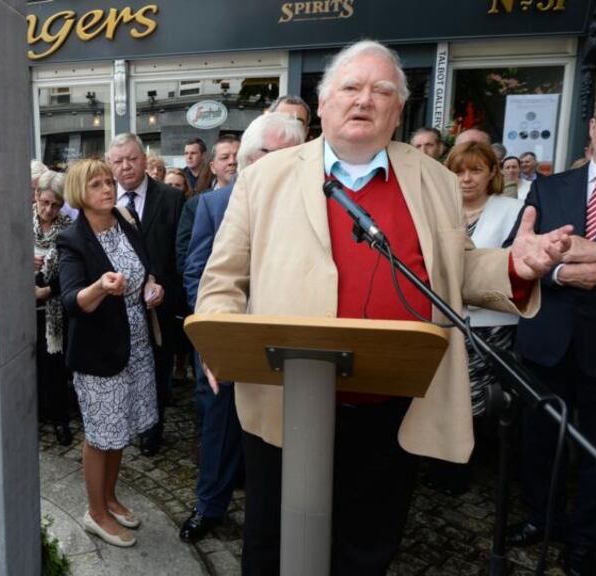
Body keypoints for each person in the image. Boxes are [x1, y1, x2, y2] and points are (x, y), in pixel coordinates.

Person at [195, 40, 569, 575]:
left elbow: (455, 271)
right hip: (286, 399)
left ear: (398, 110)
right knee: (275, 547)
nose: (364, 100)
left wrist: (516, 266)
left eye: (381, 91)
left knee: (367, 546)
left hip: (391, 403)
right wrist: (223, 336)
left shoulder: (434, 179)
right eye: (350, 87)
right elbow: (223, 277)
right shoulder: (266, 177)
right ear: (322, 104)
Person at [178, 113, 306, 543]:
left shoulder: (314, 206)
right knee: (219, 426)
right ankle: (209, 506)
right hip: (229, 340)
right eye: (280, 156)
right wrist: (217, 335)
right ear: (254, 159)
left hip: (291, 343)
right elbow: (196, 270)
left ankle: (283, 514)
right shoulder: (214, 204)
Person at [507, 98, 596, 576]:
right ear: (591, 128)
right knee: (540, 437)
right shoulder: (549, 189)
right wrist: (557, 278)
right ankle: (542, 517)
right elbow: (518, 254)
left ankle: (587, 539)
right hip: (548, 337)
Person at [57, 159, 165, 548]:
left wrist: (152, 286)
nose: (107, 188)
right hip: (99, 352)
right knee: (101, 434)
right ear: (78, 194)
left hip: (135, 344)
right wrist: (101, 286)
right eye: (96, 184)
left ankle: (111, 498)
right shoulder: (73, 239)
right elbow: (72, 301)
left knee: (121, 427)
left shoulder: (125, 222)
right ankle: (95, 512)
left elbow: (145, 269)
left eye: (108, 182)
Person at [424, 141, 523, 495]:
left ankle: (483, 469)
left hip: (490, 324)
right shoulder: (439, 209)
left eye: (476, 170)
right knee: (445, 397)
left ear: (492, 174)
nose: (466, 179)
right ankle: (448, 467)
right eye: (458, 171)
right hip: (444, 319)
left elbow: (513, 264)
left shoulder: (512, 210)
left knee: (480, 402)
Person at [108, 133, 185, 456]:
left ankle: (152, 431)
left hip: (159, 306)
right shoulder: (103, 200)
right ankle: (124, 427)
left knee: (156, 370)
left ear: (144, 158)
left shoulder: (170, 198)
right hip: (115, 306)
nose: (126, 166)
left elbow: (180, 253)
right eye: (118, 161)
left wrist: (162, 284)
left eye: (132, 158)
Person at [33, 171, 75, 446]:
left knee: (55, 365)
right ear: (36, 196)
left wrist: (47, 290)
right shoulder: (19, 220)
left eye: (55, 205)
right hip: (22, 306)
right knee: (30, 367)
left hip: (55, 308)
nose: (48, 209)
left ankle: (60, 419)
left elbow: (72, 271)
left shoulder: (69, 228)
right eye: (45, 202)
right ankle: (33, 415)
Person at [175, 135, 240, 276]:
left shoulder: (257, 200)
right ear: (213, 167)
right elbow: (185, 254)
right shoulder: (195, 204)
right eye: (224, 158)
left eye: (237, 156)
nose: (232, 162)